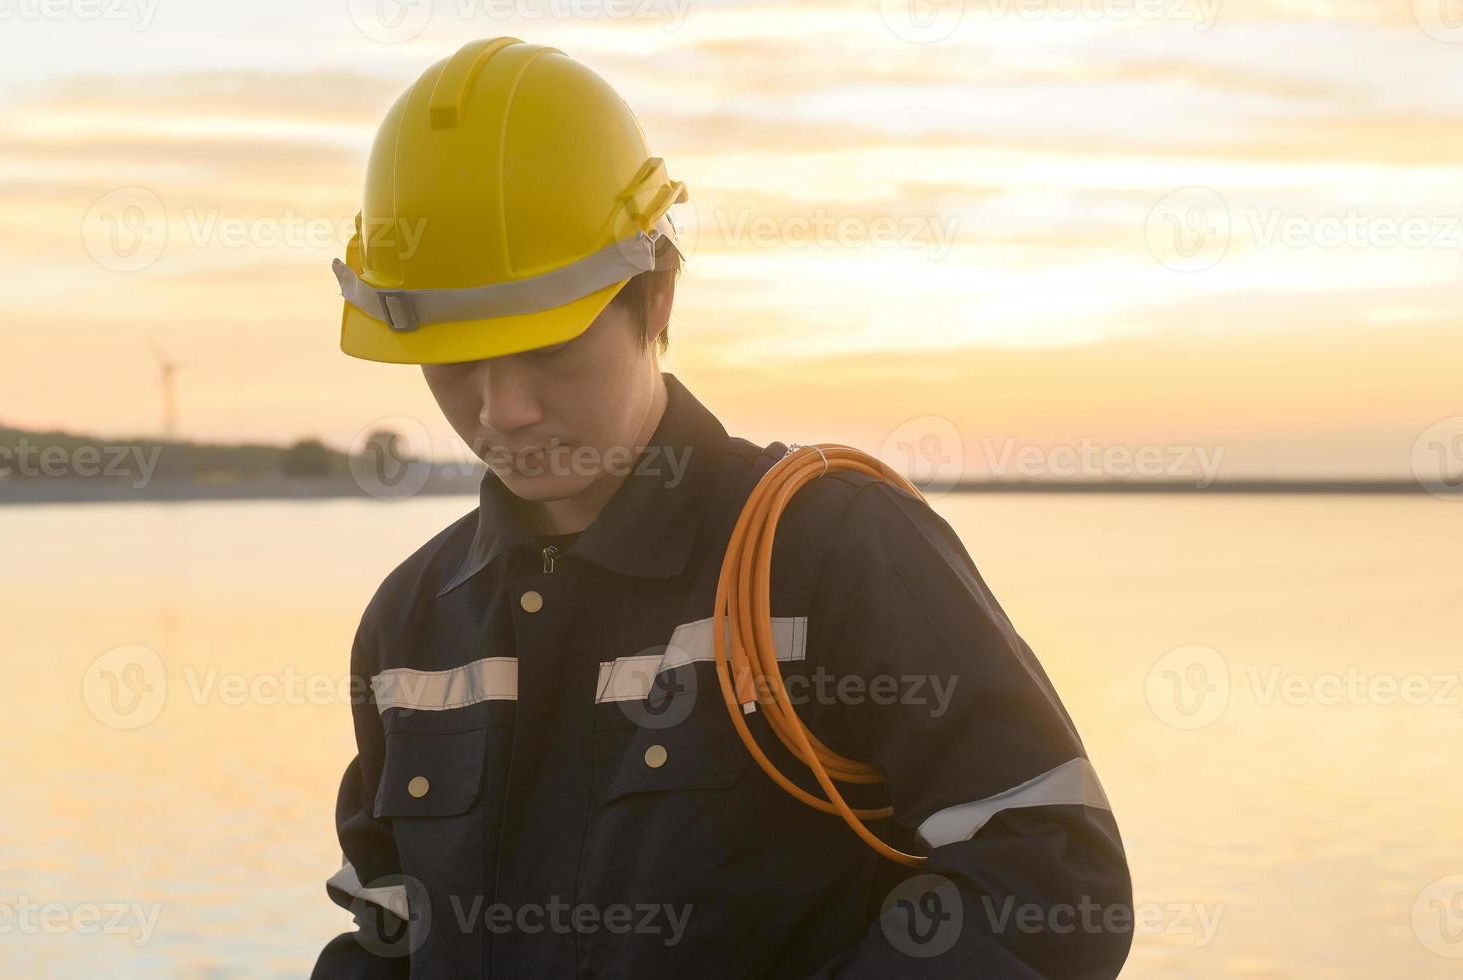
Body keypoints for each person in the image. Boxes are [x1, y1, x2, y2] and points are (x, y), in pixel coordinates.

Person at [314, 37, 1132, 979]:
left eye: (545, 349)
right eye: (456, 358)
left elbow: (1053, 883)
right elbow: (385, 938)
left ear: (655, 296)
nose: (502, 410)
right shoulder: (411, 621)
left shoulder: (831, 550)